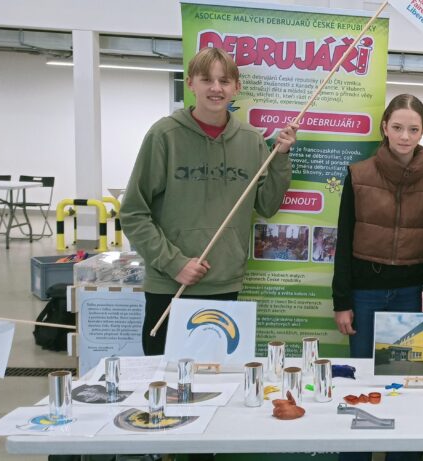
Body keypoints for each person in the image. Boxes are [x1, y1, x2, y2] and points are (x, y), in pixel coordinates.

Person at [123, 47, 296, 356]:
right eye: (207, 79)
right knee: (165, 377)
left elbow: (267, 205)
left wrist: (281, 158)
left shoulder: (251, 139)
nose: (216, 88)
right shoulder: (164, 135)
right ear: (190, 83)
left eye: (224, 81)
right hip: (171, 285)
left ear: (236, 87)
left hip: (224, 284)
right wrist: (174, 264)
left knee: (217, 377)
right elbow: (134, 212)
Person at [332, 94, 423, 359]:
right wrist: (341, 302)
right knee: (362, 370)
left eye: (413, 129)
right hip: (364, 293)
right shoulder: (358, 175)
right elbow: (344, 241)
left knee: (404, 373)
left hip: (411, 294)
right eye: (397, 127)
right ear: (384, 127)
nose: (405, 136)